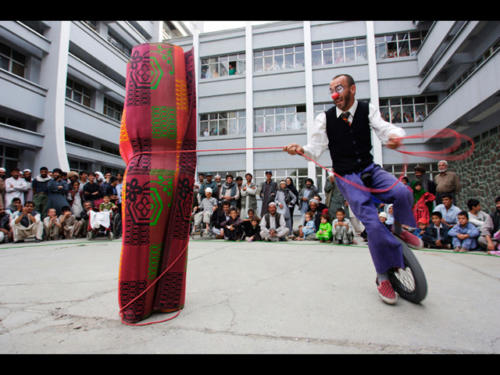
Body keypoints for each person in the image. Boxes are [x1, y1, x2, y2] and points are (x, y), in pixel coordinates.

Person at [283, 73, 420, 305]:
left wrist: (395, 137)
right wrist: (300, 150)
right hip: (347, 177)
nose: (334, 94)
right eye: (331, 90)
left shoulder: (367, 109)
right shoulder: (325, 119)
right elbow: (314, 149)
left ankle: (398, 229)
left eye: (339, 88)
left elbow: (384, 129)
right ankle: (383, 277)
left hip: (370, 169)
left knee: (403, 192)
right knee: (374, 226)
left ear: (352, 89)